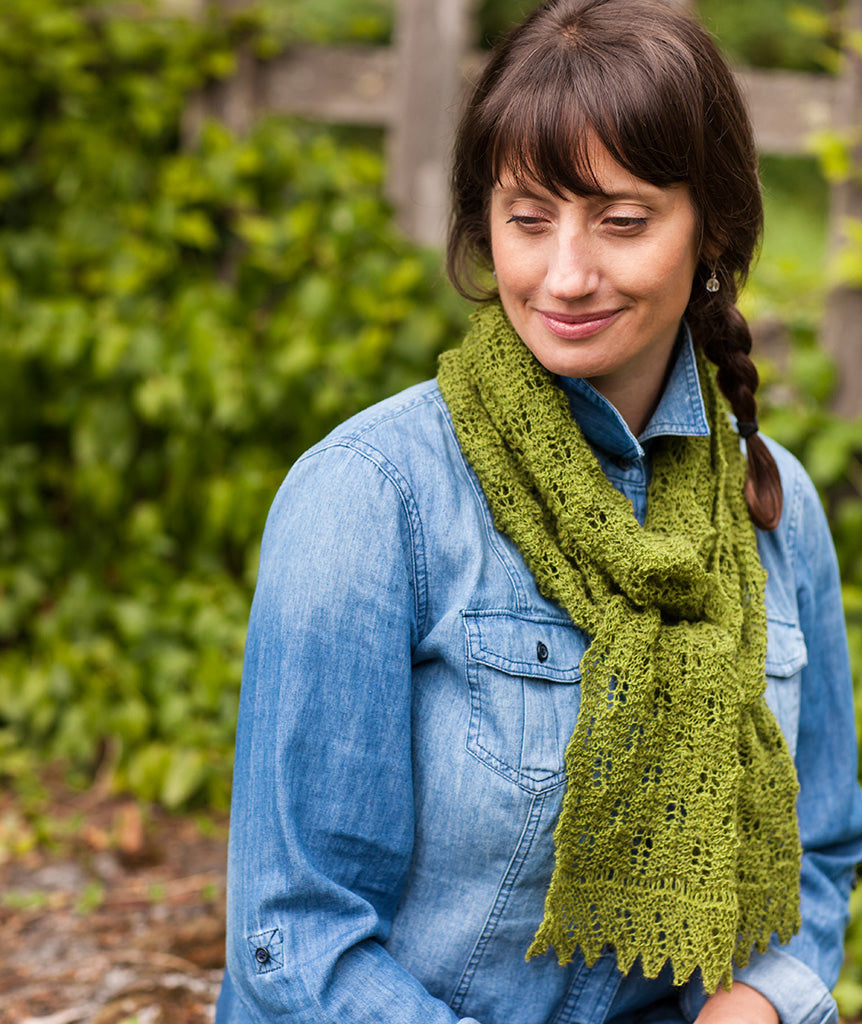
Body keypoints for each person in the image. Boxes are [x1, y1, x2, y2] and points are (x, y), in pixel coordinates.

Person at [215, 1, 862, 1021]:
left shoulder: (774, 511)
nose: (564, 274)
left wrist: (766, 997)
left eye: (621, 218)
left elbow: (820, 846)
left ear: (714, 232)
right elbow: (295, 935)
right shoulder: (372, 497)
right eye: (527, 218)